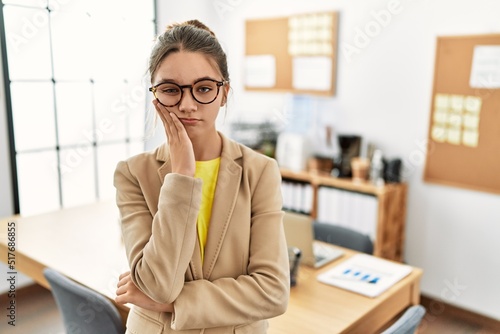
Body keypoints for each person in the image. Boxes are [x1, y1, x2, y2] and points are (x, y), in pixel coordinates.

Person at [113, 20, 290, 333]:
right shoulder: (132, 174)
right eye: (170, 90)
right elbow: (159, 285)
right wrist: (181, 175)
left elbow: (273, 292)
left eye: (204, 88)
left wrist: (175, 305)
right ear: (154, 95)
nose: (187, 104)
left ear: (224, 94)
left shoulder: (260, 171)